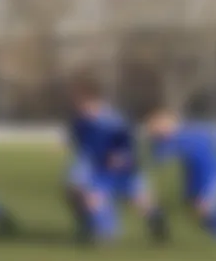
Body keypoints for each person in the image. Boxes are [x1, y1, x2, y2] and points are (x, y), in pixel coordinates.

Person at [66, 83, 168, 244]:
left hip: (124, 169)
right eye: (79, 106)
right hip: (99, 168)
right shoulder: (79, 122)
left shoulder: (114, 121)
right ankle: (100, 229)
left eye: (86, 105)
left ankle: (157, 222)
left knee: (141, 200)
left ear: (96, 103)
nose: (82, 110)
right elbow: (81, 145)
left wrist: (121, 156)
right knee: (84, 195)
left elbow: (128, 142)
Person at [146, 109, 216, 241]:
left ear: (171, 123)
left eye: (159, 126)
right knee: (195, 209)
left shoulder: (192, 133)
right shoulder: (167, 141)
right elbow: (157, 158)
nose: (156, 130)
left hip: (213, 175)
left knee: (205, 207)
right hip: (195, 177)